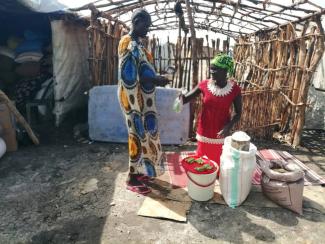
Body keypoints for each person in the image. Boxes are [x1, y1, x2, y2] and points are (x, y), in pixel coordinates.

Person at [117, 9, 169, 194]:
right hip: (132, 99)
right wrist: (156, 80)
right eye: (146, 25)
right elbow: (129, 76)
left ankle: (141, 172)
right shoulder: (127, 43)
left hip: (144, 100)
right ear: (137, 21)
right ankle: (131, 179)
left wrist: (156, 78)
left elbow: (145, 71)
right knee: (136, 135)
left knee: (147, 133)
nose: (148, 29)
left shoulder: (139, 45)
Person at [181, 54, 242, 170]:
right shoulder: (204, 85)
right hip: (204, 132)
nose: (212, 71)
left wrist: (228, 127)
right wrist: (178, 98)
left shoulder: (234, 89)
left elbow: (238, 114)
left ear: (225, 71)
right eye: (211, 68)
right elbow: (185, 99)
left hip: (221, 133)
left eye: (215, 69)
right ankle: (203, 184)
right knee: (201, 165)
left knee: (217, 168)